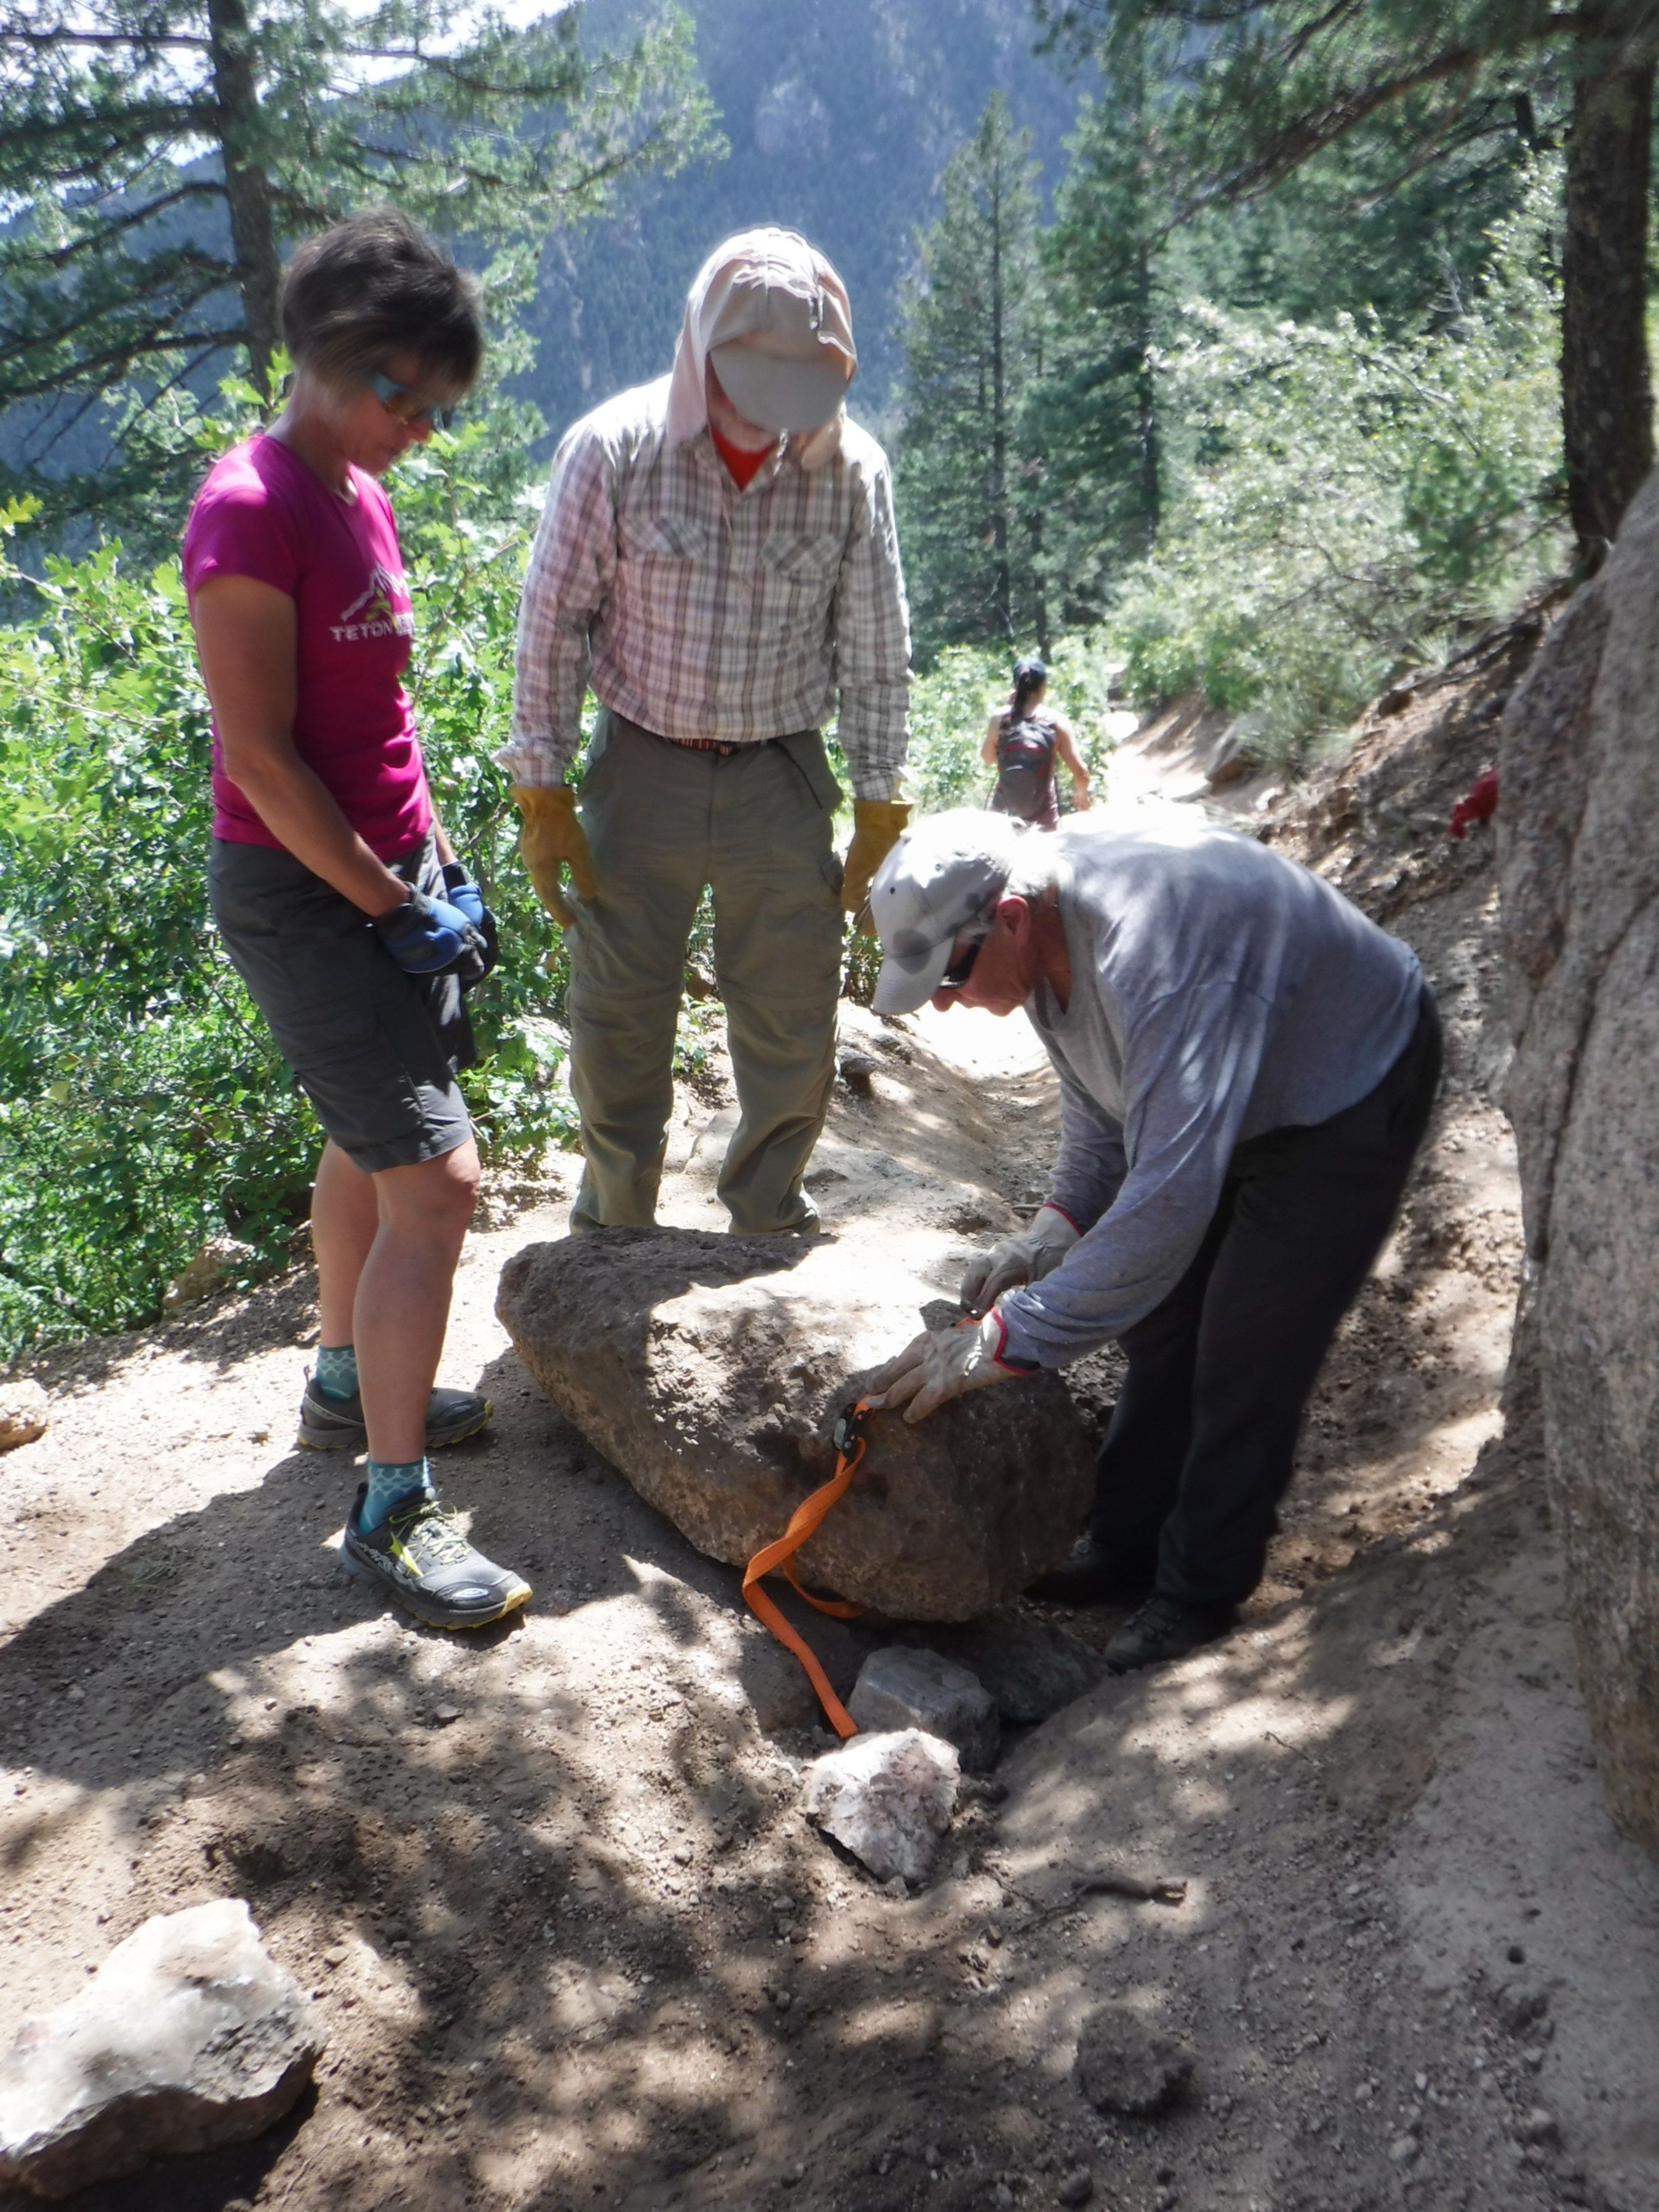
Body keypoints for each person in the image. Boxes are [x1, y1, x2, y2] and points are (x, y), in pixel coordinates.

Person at [863, 809, 1440, 1674]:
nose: (943, 1000)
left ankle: (1198, 1588)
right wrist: (1053, 1227)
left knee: (1247, 1340)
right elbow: (1106, 1105)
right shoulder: (1038, 937)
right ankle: (1127, 1538)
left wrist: (1006, 1339)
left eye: (949, 974)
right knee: (1161, 1319)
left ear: (1009, 920)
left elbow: (1170, 1198)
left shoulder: (1154, 956)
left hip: (1343, 1089)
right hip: (1230, 1085)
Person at [184, 209, 531, 1632]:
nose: (422, 427)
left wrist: (438, 866)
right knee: (434, 1185)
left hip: (390, 879)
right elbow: (260, 755)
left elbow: (383, 715)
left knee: (368, 1135)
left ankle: (344, 1382)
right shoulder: (251, 507)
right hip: (304, 891)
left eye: (438, 407)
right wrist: (390, 907)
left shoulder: (362, 497)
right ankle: (391, 1508)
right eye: (404, 393)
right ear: (325, 354)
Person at [502, 227, 912, 1236]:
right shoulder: (615, 449)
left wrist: (879, 796)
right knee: (617, 1012)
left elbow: (873, 643)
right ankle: (614, 1218)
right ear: (700, 355)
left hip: (781, 771)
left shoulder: (852, 472)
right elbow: (552, 623)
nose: (764, 417)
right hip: (638, 767)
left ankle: (767, 1208)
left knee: (790, 1008)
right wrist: (543, 788)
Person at [982, 657, 1090, 830]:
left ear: (1016, 687)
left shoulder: (999, 718)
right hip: (1043, 820)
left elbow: (988, 759)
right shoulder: (1057, 722)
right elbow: (1081, 773)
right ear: (1044, 686)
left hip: (1002, 817)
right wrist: (1082, 796)